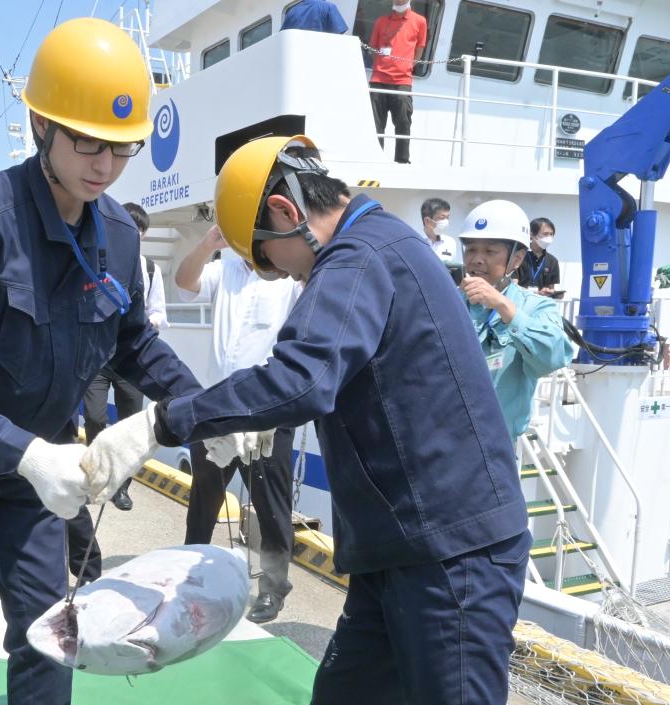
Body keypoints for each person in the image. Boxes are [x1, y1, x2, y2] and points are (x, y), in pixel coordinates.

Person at [82, 135, 531, 705]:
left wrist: (161, 424)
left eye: (269, 260)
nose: (287, 279)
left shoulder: (358, 255)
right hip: (398, 549)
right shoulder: (380, 242)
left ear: (285, 212)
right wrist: (240, 416)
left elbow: (304, 377)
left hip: (449, 555)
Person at [0, 19, 211, 705]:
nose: (104, 164)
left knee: (52, 630)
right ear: (40, 123)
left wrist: (207, 406)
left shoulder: (118, 233)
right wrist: (28, 453)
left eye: (122, 148)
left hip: (37, 466)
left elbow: (133, 342)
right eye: (88, 141)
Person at [173, 223, 302, 623]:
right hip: (217, 404)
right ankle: (189, 572)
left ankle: (274, 586)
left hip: (267, 410)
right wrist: (207, 243)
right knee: (204, 496)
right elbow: (184, 281)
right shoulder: (224, 269)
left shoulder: (288, 279)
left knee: (270, 501)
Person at [459, 202, 573, 444]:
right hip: (439, 447)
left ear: (517, 259)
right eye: (470, 250)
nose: (477, 259)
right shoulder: (446, 301)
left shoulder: (536, 307)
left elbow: (553, 357)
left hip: (494, 448)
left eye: (490, 252)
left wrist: (504, 307)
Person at [81, 202, 167, 511]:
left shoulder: (150, 269)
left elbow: (158, 310)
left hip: (131, 357)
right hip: (100, 359)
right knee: (94, 417)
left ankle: (121, 486)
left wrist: (151, 322)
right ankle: (97, 474)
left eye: (140, 231)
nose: (136, 235)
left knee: (132, 425)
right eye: (131, 228)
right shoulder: (99, 263)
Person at [368, 2, 427, 164]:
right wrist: (383, 66)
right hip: (378, 79)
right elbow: (373, 48)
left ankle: (402, 161)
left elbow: (420, 49)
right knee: (375, 125)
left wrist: (406, 66)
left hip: (402, 81)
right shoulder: (380, 21)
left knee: (403, 123)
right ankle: (375, 160)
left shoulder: (419, 21)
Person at [517, 217, 563, 298]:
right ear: (532, 235)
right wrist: (536, 292)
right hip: (519, 303)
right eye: (545, 234)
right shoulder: (519, 256)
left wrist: (551, 292)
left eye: (551, 234)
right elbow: (513, 285)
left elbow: (551, 288)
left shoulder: (553, 261)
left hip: (540, 305)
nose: (549, 237)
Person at [420, 197, 456, 261]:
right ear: (427, 221)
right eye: (442, 218)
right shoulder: (418, 242)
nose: (446, 221)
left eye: (447, 217)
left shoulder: (450, 242)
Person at [281, 0, 348, 34]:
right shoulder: (328, 7)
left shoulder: (291, 12)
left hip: (296, 55)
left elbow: (282, 36)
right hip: (320, 55)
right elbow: (339, 36)